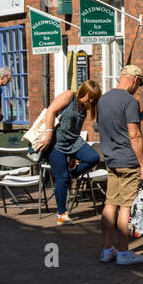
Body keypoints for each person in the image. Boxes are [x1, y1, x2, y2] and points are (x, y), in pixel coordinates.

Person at [95, 66, 143, 265]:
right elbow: (134, 135)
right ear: (134, 80)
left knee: (110, 204)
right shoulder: (129, 101)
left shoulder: (103, 99)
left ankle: (106, 250)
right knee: (125, 206)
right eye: (139, 84)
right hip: (127, 161)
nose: (138, 88)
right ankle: (124, 253)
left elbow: (103, 126)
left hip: (110, 160)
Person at [42, 80, 102, 226]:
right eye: (91, 96)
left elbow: (75, 129)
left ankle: (71, 175)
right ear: (85, 92)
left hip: (74, 141)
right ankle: (62, 215)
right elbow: (50, 111)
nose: (92, 100)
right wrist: (49, 134)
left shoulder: (84, 107)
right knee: (61, 179)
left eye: (95, 98)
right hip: (56, 142)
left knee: (93, 157)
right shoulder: (69, 96)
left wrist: (73, 157)